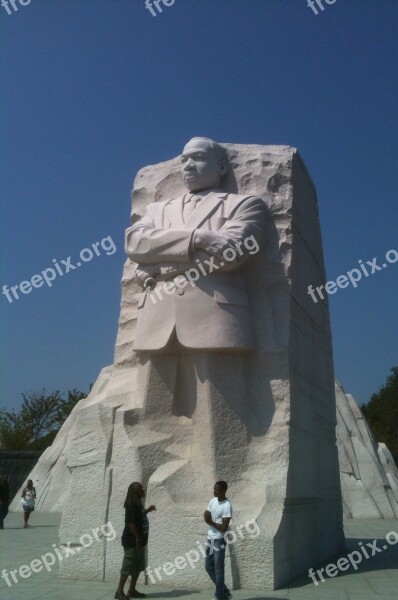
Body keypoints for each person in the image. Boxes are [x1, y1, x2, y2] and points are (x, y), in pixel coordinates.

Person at [125, 137, 266, 493]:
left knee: (220, 415)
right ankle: (148, 493)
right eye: (183, 159)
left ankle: (221, 490)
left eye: (198, 158)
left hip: (216, 317)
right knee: (150, 414)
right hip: (157, 319)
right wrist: (199, 239)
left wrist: (162, 261)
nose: (187, 165)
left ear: (221, 166)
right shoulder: (157, 211)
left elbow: (233, 253)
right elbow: (135, 246)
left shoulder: (244, 204)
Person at [115, 482, 156, 600]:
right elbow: (131, 523)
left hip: (140, 541)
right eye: (140, 488)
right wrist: (137, 537)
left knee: (137, 566)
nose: (143, 490)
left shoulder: (137, 503)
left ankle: (131, 590)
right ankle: (119, 592)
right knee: (128, 566)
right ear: (134, 491)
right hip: (132, 541)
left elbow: (139, 516)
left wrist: (148, 510)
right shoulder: (131, 504)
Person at [204, 481, 233, 600]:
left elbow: (224, 527)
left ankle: (219, 595)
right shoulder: (212, 501)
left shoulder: (227, 505)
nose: (214, 491)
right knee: (208, 567)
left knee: (218, 569)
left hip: (219, 540)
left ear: (223, 491)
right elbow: (205, 515)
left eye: (216, 489)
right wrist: (215, 523)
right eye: (214, 489)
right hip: (210, 538)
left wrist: (211, 522)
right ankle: (224, 591)